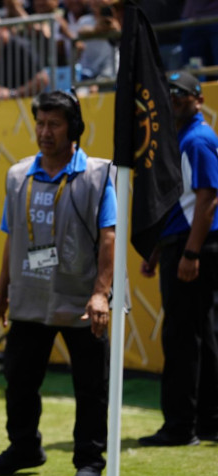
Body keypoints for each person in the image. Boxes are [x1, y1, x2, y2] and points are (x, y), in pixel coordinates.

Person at [0, 90, 116, 476]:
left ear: (73, 127)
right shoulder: (18, 175)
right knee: (19, 380)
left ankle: (89, 458)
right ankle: (24, 447)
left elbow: (109, 236)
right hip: (31, 296)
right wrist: (0, 294)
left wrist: (101, 293)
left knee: (91, 386)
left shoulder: (96, 175)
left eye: (54, 124)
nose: (44, 131)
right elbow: (12, 237)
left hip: (81, 300)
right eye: (40, 123)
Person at [139, 71, 218, 446]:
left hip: (192, 246)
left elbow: (208, 199)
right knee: (199, 334)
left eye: (181, 94)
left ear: (198, 99)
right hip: (182, 244)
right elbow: (177, 201)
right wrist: (158, 250)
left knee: (183, 337)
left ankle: (181, 426)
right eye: (169, 94)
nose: (172, 100)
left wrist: (190, 252)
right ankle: (206, 422)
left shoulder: (198, 139)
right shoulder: (182, 138)